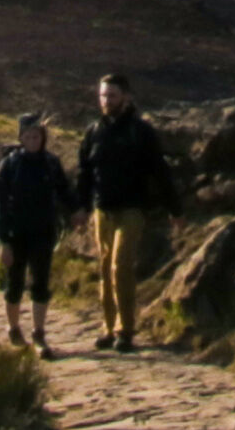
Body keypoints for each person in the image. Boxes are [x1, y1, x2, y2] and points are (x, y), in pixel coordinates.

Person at [76, 75, 181, 351]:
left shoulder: (140, 132)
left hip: (132, 209)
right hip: (103, 209)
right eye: (103, 96)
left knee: (120, 267)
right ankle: (109, 328)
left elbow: (160, 171)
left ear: (126, 97)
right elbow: (85, 173)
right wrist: (81, 207)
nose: (106, 101)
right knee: (105, 268)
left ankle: (126, 329)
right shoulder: (93, 132)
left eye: (112, 95)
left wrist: (175, 209)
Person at [0, 111, 77, 352]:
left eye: (37, 136)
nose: (33, 140)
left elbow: (63, 192)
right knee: (14, 283)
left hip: (43, 231)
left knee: (41, 282)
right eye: (28, 136)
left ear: (43, 137)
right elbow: (0, 203)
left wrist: (76, 211)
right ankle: (13, 327)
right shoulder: (10, 165)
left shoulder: (51, 163)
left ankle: (39, 333)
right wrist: (4, 240)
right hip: (16, 233)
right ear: (21, 138)